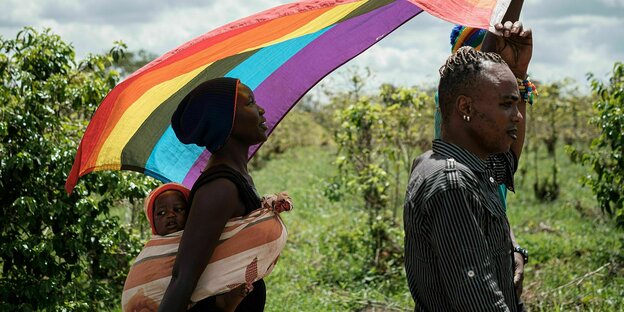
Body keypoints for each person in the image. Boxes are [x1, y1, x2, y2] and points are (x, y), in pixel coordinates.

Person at [403, 18, 534, 312]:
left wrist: (519, 72)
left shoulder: (472, 166)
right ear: (466, 108)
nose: (518, 115)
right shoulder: (453, 184)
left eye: (518, 102)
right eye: (506, 104)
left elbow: (507, 160)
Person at [153, 77, 290, 312]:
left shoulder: (235, 178)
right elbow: (183, 277)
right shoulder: (219, 188)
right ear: (225, 121)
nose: (261, 109)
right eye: (250, 103)